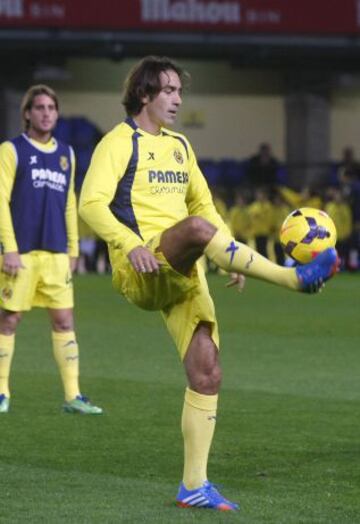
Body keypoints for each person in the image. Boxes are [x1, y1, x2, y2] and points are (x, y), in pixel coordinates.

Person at [79, 56, 338, 511]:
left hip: (184, 272)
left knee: (207, 371)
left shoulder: (180, 146)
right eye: (169, 91)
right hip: (140, 268)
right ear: (145, 94)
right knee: (198, 229)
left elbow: (204, 201)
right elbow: (91, 203)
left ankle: (193, 486)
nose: (178, 99)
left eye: (180, 91)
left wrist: (229, 252)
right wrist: (130, 243)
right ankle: (294, 279)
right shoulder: (119, 143)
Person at [0, 85, 102, 415]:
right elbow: (0, 201)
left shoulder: (67, 155)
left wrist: (72, 249)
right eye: (40, 107)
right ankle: (1, 392)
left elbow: (69, 203)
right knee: (9, 320)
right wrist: (8, 249)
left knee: (64, 321)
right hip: (22, 252)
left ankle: (73, 396)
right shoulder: (11, 151)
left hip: (57, 252)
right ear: (27, 113)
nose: (46, 113)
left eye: (52, 108)